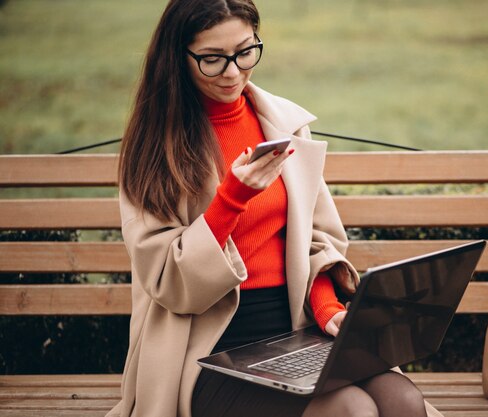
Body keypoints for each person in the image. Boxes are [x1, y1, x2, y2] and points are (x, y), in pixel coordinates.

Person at [108, 0, 441, 416]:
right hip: (207, 351)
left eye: (245, 52)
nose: (232, 71)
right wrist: (232, 198)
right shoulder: (155, 148)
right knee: (352, 410)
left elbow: (315, 242)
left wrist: (327, 309)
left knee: (404, 401)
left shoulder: (282, 124)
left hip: (296, 335)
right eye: (211, 59)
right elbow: (170, 283)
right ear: (176, 57)